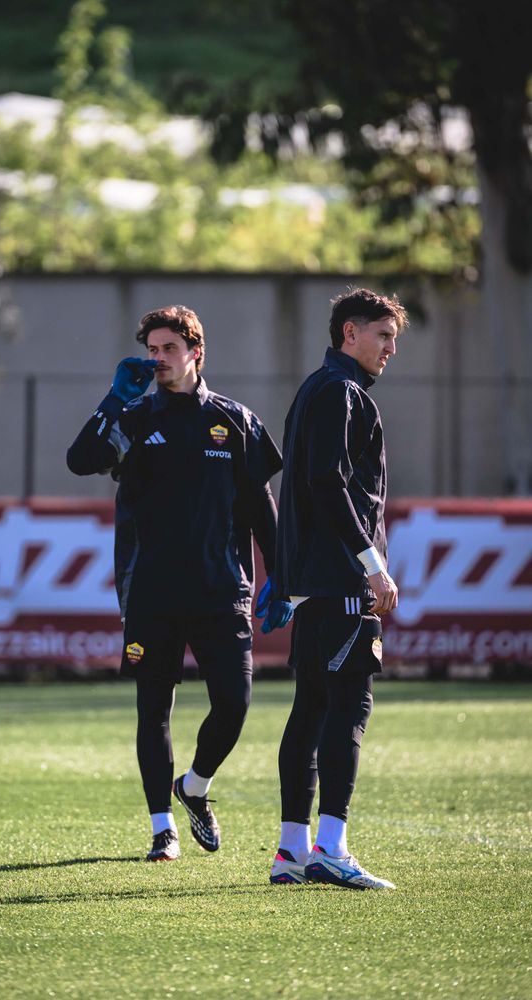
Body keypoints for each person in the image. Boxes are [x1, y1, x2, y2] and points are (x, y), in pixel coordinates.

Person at [67, 304, 292, 861]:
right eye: (152, 350)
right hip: (152, 590)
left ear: (196, 351)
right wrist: (113, 400)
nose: (158, 359)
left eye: (169, 348)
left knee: (235, 705)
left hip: (223, 590)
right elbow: (80, 460)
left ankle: (193, 786)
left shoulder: (234, 419)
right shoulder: (135, 418)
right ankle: (162, 828)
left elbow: (262, 506)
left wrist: (284, 572)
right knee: (154, 710)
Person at [269, 287, 409, 890]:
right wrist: (372, 563)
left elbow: (305, 487)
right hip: (341, 580)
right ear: (349, 333)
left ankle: (292, 851)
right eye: (383, 336)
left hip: (317, 580)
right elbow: (328, 485)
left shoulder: (316, 390)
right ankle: (329, 847)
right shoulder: (339, 392)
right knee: (348, 705)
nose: (390, 350)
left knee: (312, 709)